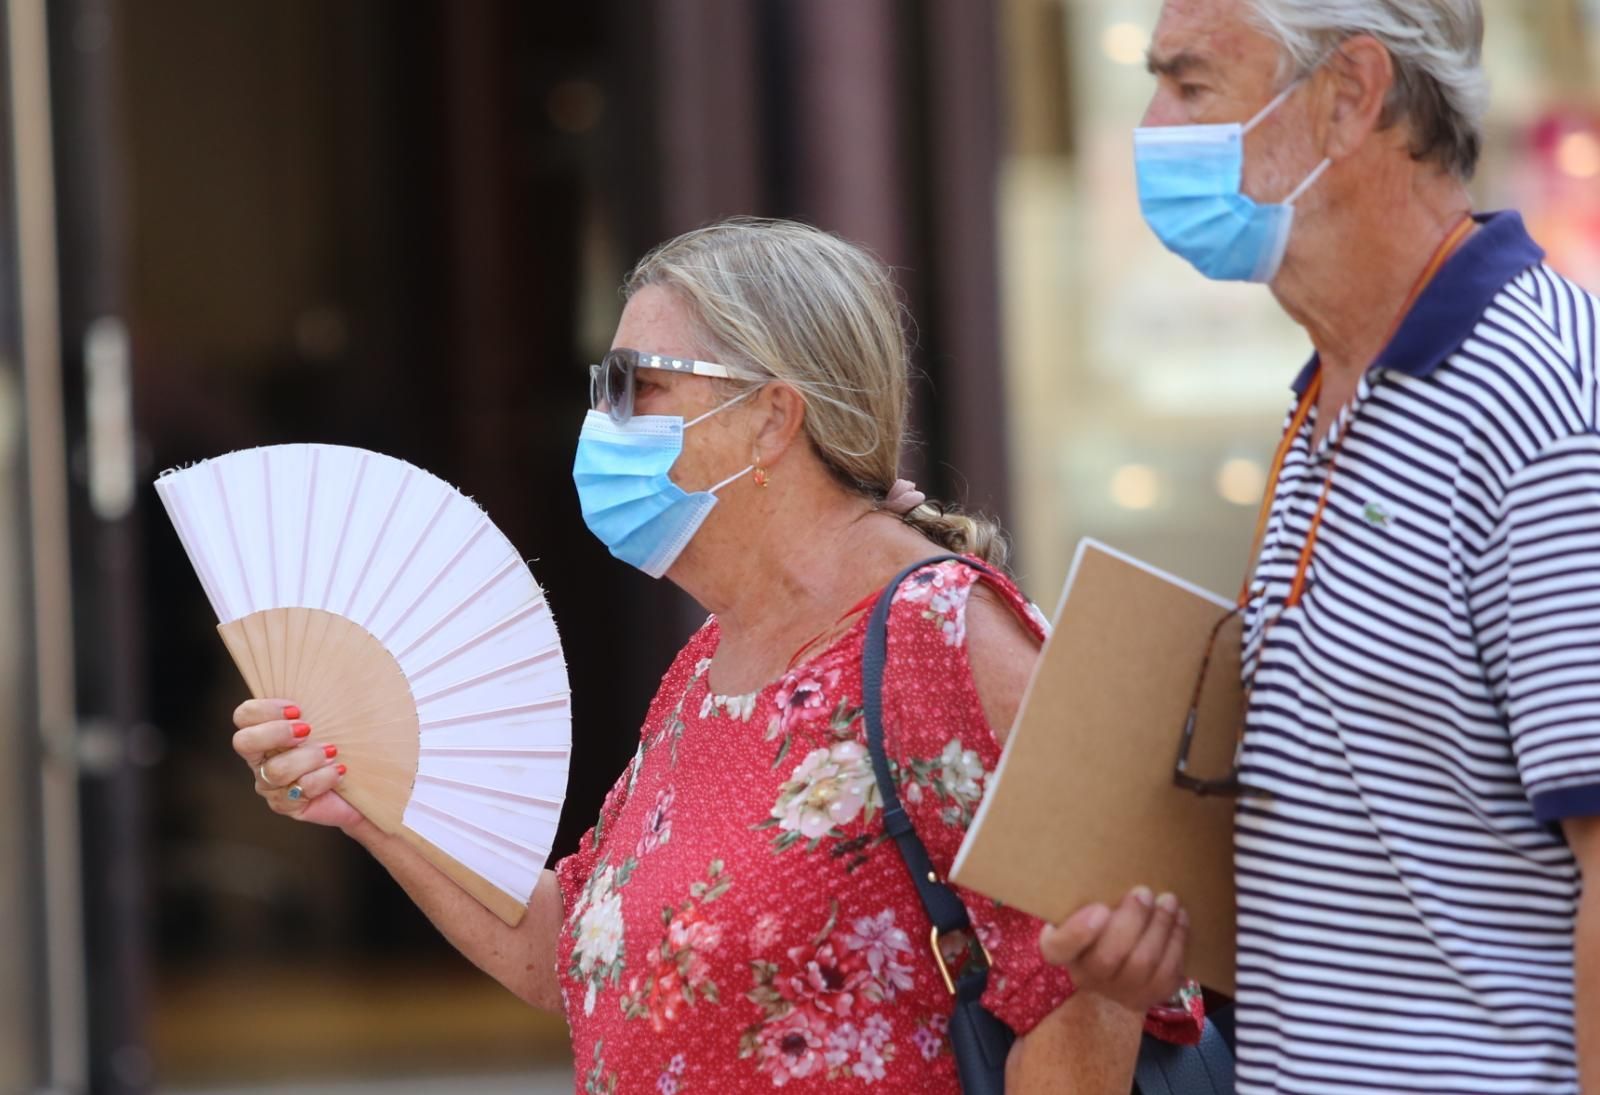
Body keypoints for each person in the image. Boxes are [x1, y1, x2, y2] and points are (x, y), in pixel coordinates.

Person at [232, 218, 1203, 1092]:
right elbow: (569, 953)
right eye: (600, 388)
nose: (600, 424)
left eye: (636, 387)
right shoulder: (711, 663)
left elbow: (1079, 999)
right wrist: (363, 795)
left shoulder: (937, 638)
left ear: (773, 418)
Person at [1040, 1, 1600, 1092]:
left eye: (1192, 86)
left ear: (1349, 94)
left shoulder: (1546, 407)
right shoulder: (1326, 407)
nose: (1151, 127)